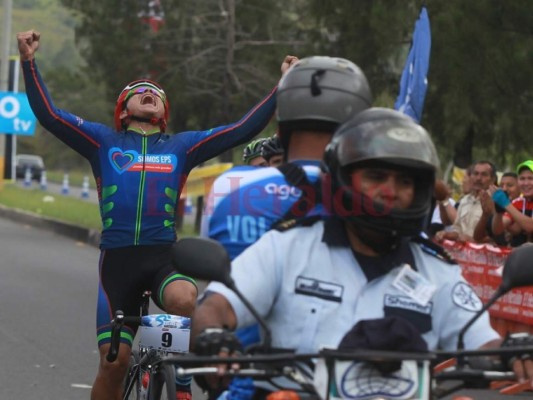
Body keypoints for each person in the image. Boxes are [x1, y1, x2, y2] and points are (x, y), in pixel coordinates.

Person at [17, 29, 298, 400]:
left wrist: (283, 86)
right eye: (139, 91)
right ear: (123, 109)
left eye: (157, 94)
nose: (150, 92)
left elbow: (241, 129)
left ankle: (177, 375)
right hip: (117, 264)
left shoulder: (182, 146)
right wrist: (28, 62)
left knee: (185, 299)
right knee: (114, 363)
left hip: (163, 256)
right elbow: (50, 116)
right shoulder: (103, 141)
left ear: (164, 113)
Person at [191, 109, 532, 396]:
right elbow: (215, 306)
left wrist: (512, 351)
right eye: (376, 176)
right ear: (343, 179)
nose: (391, 191)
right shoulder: (287, 246)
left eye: (405, 182)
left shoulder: (437, 269)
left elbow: (480, 342)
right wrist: (212, 336)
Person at [199, 55, 372, 353]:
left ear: (281, 127)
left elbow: (210, 266)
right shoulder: (379, 199)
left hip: (243, 364)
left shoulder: (230, 187)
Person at [435, 161, 497, 243]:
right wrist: (445, 234)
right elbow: (458, 232)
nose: (478, 178)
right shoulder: (464, 201)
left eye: (484, 174)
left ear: (492, 180)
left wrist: (473, 240)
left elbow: (497, 237)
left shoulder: (497, 203)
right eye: (475, 174)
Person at [492, 161, 533, 247]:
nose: (526, 183)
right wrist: (498, 210)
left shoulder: (510, 204)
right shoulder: (518, 202)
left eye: (530, 178)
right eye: (522, 179)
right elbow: (498, 230)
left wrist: (505, 203)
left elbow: (530, 226)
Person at [473, 172, 520, 245]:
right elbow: (477, 237)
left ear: (520, 188)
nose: (504, 189)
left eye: (510, 185)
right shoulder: (495, 205)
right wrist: (485, 214)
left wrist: (496, 211)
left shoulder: (523, 207)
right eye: (501, 185)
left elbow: (512, 230)